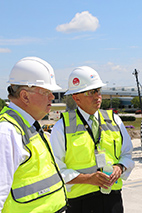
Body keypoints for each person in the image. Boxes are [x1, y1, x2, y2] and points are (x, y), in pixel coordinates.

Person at [50, 66, 134, 213]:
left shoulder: (114, 120)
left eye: (98, 91)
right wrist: (89, 179)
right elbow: (56, 170)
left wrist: (120, 167)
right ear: (76, 97)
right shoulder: (61, 127)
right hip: (80, 203)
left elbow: (127, 154)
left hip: (112, 200)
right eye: (91, 92)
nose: (98, 96)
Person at [0, 57, 67, 212]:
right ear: (25, 96)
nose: (52, 97)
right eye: (46, 92)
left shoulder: (28, 126)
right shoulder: (7, 132)